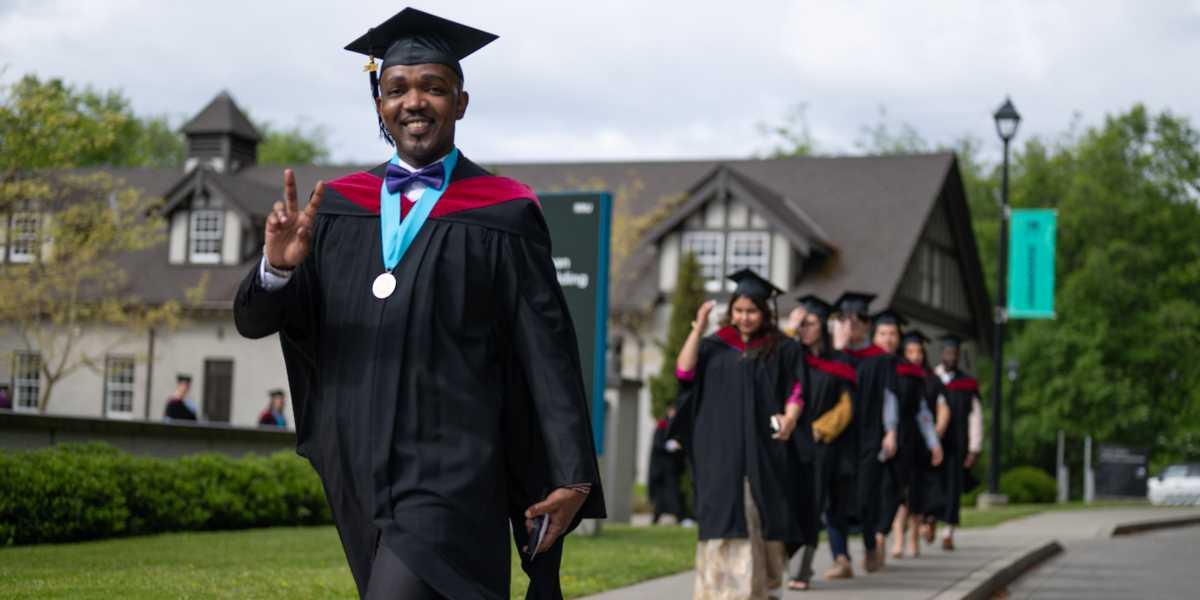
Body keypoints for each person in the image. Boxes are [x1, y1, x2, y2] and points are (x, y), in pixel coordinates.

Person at [233, 8, 604, 599]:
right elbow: (255, 322)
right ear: (379, 103)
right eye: (397, 89)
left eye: (434, 87)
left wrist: (573, 472)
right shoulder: (338, 208)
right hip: (355, 459)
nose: (414, 102)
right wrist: (277, 268)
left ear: (461, 101)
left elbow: (548, 349)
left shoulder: (504, 212)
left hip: (454, 464)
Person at [671, 269, 803, 600]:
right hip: (719, 450)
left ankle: (761, 591)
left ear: (765, 312)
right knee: (722, 515)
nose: (745, 318)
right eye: (739, 311)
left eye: (752, 311)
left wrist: (790, 417)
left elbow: (797, 389)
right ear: (730, 310)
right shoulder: (714, 346)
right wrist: (698, 329)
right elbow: (684, 371)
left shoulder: (782, 348)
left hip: (764, 450)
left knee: (759, 513)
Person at [786, 295, 855, 591]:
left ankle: (801, 570)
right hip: (789, 439)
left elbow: (847, 407)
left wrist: (820, 428)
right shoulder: (791, 356)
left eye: (810, 324)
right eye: (801, 324)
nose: (804, 330)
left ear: (822, 327)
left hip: (821, 446)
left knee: (811, 506)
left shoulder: (838, 364)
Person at [878, 329, 943, 559]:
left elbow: (924, 414)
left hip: (914, 442)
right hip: (893, 439)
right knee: (896, 493)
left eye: (918, 351)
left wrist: (934, 443)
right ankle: (896, 539)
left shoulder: (919, 378)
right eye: (910, 351)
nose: (915, 356)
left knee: (913, 493)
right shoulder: (892, 373)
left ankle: (913, 537)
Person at [934, 334, 983, 551]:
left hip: (957, 445)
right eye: (946, 352)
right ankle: (929, 519)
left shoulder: (967, 384)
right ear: (941, 354)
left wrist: (974, 448)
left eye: (953, 353)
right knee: (934, 485)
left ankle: (948, 531)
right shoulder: (931, 378)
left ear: (958, 356)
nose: (949, 356)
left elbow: (976, 417)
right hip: (933, 444)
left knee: (953, 488)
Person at [648, 405, 689, 525]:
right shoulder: (662, 424)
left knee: (674, 492)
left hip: (672, 467)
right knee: (662, 495)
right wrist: (667, 446)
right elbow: (657, 444)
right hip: (661, 467)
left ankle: (679, 517)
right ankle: (657, 517)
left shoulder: (678, 426)